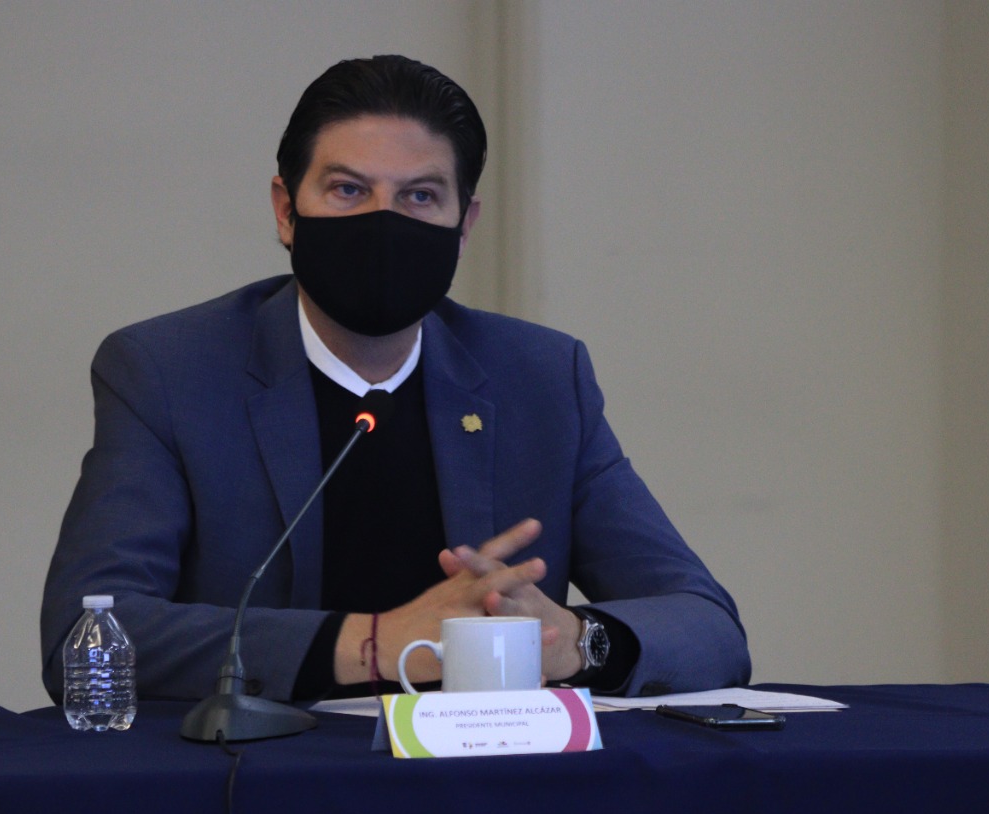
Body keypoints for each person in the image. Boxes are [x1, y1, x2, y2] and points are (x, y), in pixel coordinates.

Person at [40, 55, 750, 703]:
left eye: (419, 197)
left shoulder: (538, 378)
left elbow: (707, 624)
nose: (383, 223)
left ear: (463, 225)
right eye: (348, 190)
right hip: (261, 778)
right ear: (287, 210)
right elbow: (87, 634)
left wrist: (573, 639)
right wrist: (378, 642)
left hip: (486, 776)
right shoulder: (170, 371)